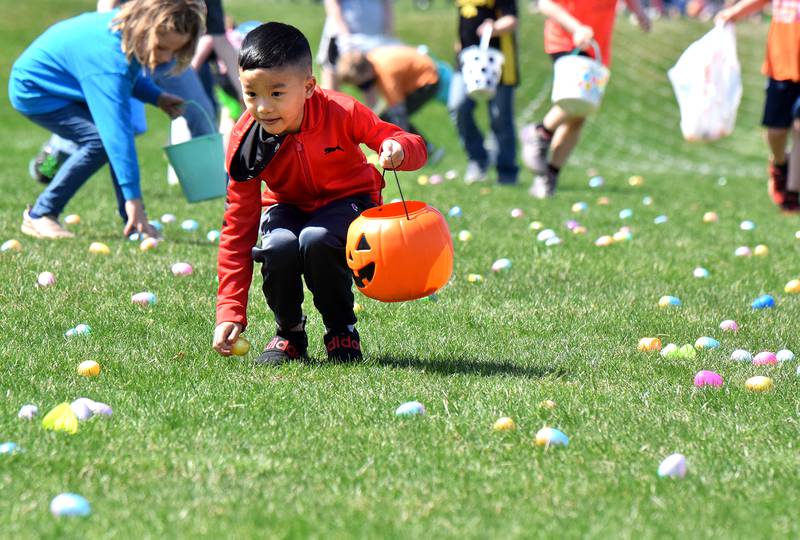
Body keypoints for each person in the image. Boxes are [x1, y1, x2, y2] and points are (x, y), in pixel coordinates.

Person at [212, 22, 427, 364]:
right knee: (278, 245)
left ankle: (341, 330)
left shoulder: (341, 110)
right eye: (251, 94)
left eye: (277, 93)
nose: (263, 107)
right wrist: (229, 311)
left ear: (309, 87)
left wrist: (396, 148)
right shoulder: (245, 145)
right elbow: (238, 228)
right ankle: (290, 333)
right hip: (287, 205)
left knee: (316, 238)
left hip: (350, 201)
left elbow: (410, 142)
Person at [9, 0, 206, 239]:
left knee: (107, 141)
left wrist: (157, 97)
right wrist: (134, 199)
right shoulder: (108, 60)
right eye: (162, 48)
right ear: (143, 29)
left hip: (69, 85)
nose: (167, 58)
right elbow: (117, 135)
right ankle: (41, 214)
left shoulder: (125, 33)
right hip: (36, 91)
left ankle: (131, 221)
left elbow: (129, 75)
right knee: (102, 141)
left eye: (175, 51)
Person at [526, 0, 650, 198]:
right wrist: (576, 28)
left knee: (579, 114)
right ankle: (541, 133)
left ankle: (549, 175)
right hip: (566, 40)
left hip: (597, 47)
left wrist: (639, 12)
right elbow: (545, 4)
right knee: (577, 95)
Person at [717, 0, 800, 212]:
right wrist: (735, 12)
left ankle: (792, 191)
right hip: (781, 65)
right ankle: (780, 165)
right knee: (776, 131)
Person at [335, 45, 446, 161]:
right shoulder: (372, 61)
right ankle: (425, 149)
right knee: (386, 117)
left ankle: (423, 151)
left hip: (426, 80)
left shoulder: (386, 74)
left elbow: (399, 111)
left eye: (361, 84)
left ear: (366, 72)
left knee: (392, 118)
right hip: (420, 73)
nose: (362, 88)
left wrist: (400, 143)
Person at [454, 0, 520, 185]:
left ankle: (507, 172)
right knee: (458, 105)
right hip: (466, 62)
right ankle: (477, 158)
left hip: (497, 63)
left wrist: (495, 27)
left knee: (500, 118)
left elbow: (512, 19)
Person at [317, 0, 396, 90]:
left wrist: (387, 33)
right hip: (341, 36)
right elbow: (332, 4)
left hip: (373, 37)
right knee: (331, 83)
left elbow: (387, 3)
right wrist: (345, 37)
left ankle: (372, 105)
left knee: (370, 81)